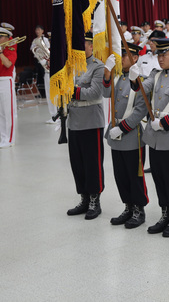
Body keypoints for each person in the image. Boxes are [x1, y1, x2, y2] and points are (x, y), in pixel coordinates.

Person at [129, 38, 169, 237]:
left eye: (165, 54)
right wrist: (133, 78)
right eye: (159, 54)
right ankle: (165, 213)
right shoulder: (155, 75)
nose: (161, 58)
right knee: (158, 177)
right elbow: (141, 89)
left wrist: (164, 123)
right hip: (154, 138)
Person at [102, 44, 149, 229]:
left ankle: (139, 209)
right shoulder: (119, 78)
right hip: (116, 134)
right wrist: (107, 73)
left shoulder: (140, 80)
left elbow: (141, 110)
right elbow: (106, 93)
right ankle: (128, 207)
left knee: (134, 175)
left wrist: (122, 127)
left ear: (135, 58)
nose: (122, 59)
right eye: (120, 55)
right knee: (120, 175)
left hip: (131, 135)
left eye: (126, 56)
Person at [65, 32, 106, 220]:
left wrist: (70, 90)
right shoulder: (71, 66)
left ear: (91, 46)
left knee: (92, 164)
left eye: (85, 45)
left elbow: (95, 91)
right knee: (78, 164)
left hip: (91, 121)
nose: (81, 49)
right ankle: (84, 198)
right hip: (74, 120)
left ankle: (94, 201)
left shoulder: (97, 66)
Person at [30, 25, 56, 124]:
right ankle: (53, 116)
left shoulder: (57, 51)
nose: (49, 43)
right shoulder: (39, 43)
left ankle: (58, 115)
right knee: (49, 95)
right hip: (46, 72)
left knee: (55, 95)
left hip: (54, 74)